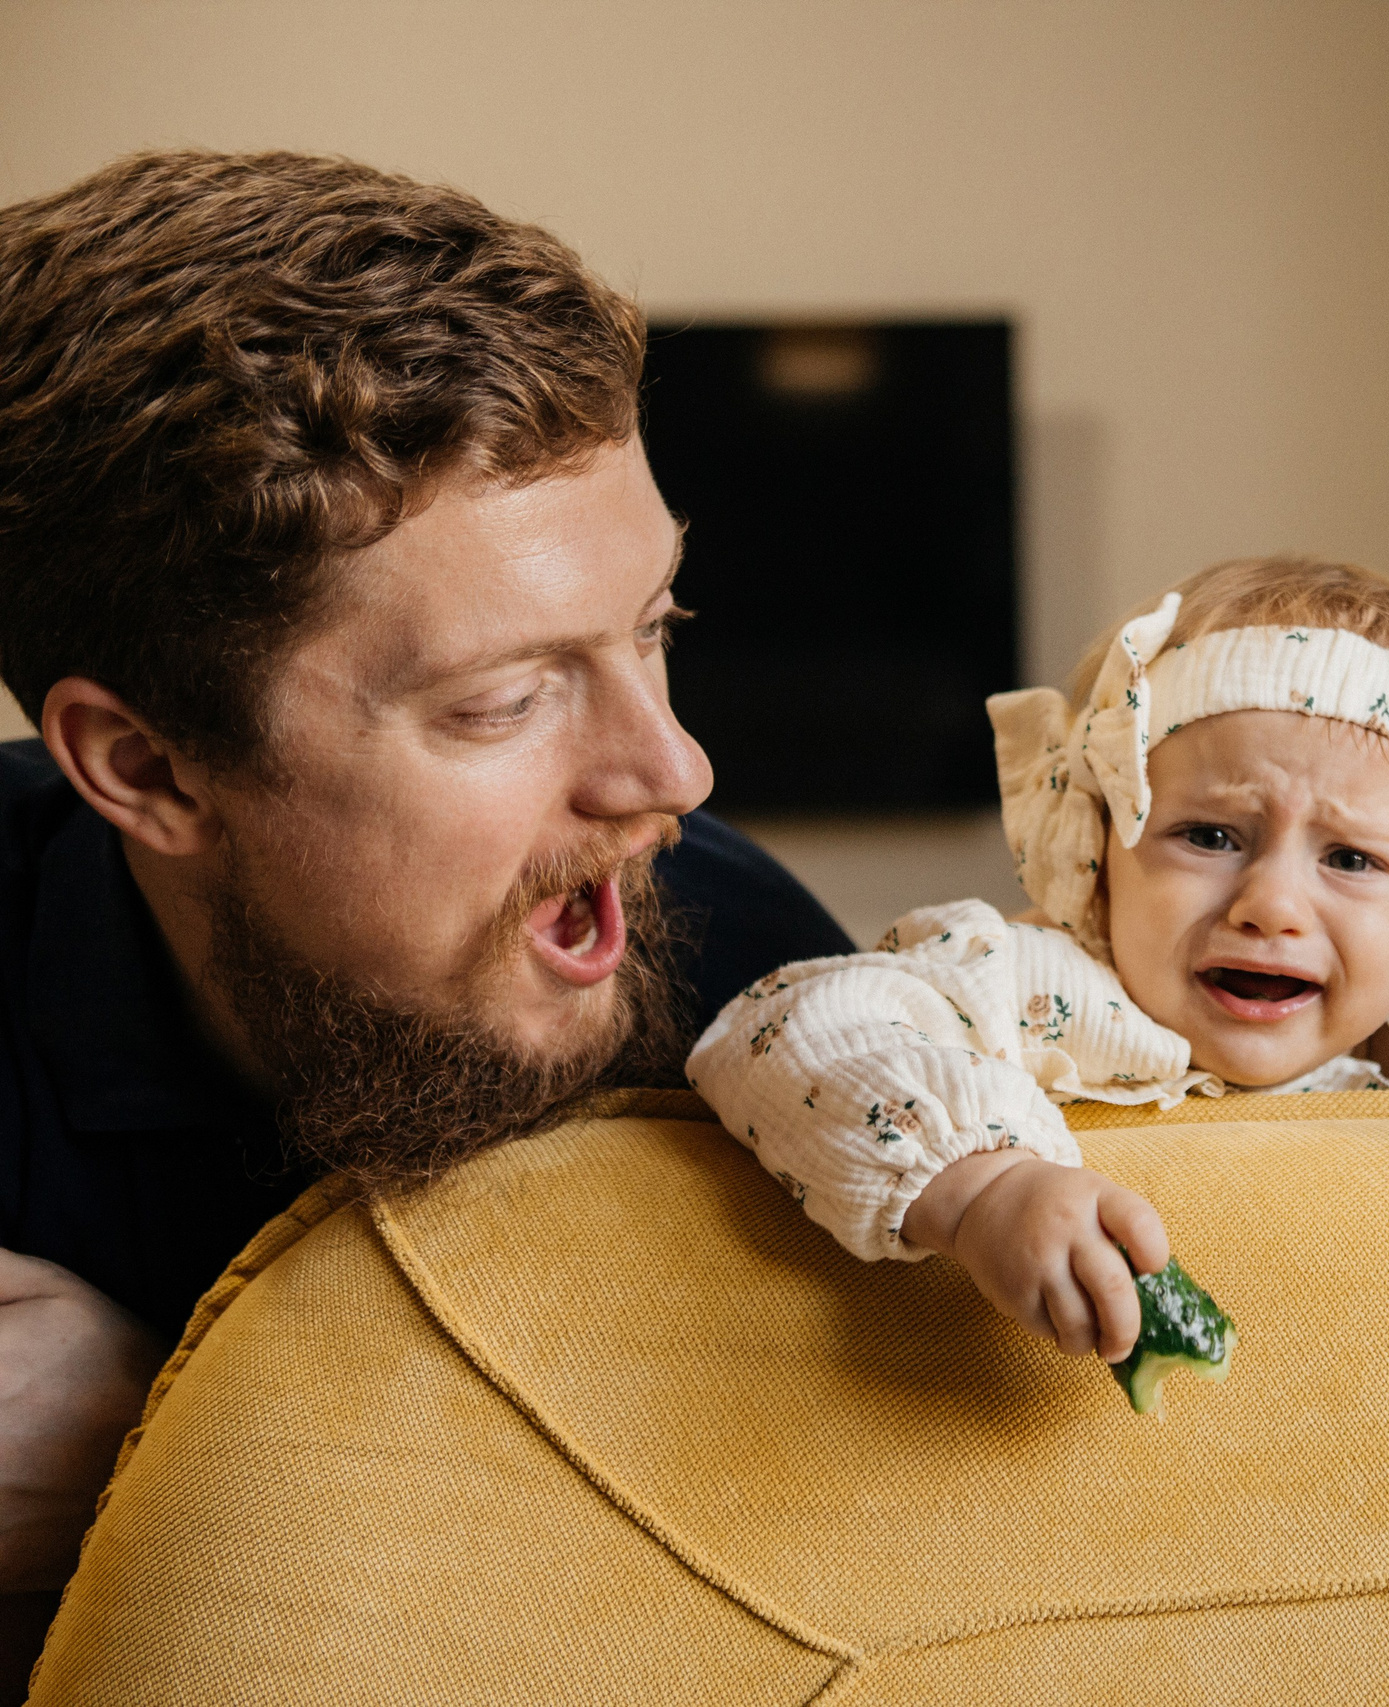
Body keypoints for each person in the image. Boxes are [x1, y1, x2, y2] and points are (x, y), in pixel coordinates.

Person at [0, 150, 854, 1645]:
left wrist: (170, 1443)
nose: (675, 771)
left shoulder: (776, 995)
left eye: (655, 626)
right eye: (504, 700)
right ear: (147, 767)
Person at [688, 556, 1389, 1364]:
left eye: (1350, 859)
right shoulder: (1050, 986)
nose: (1273, 904)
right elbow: (787, 1022)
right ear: (1100, 855)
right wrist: (986, 1187)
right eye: (1209, 837)